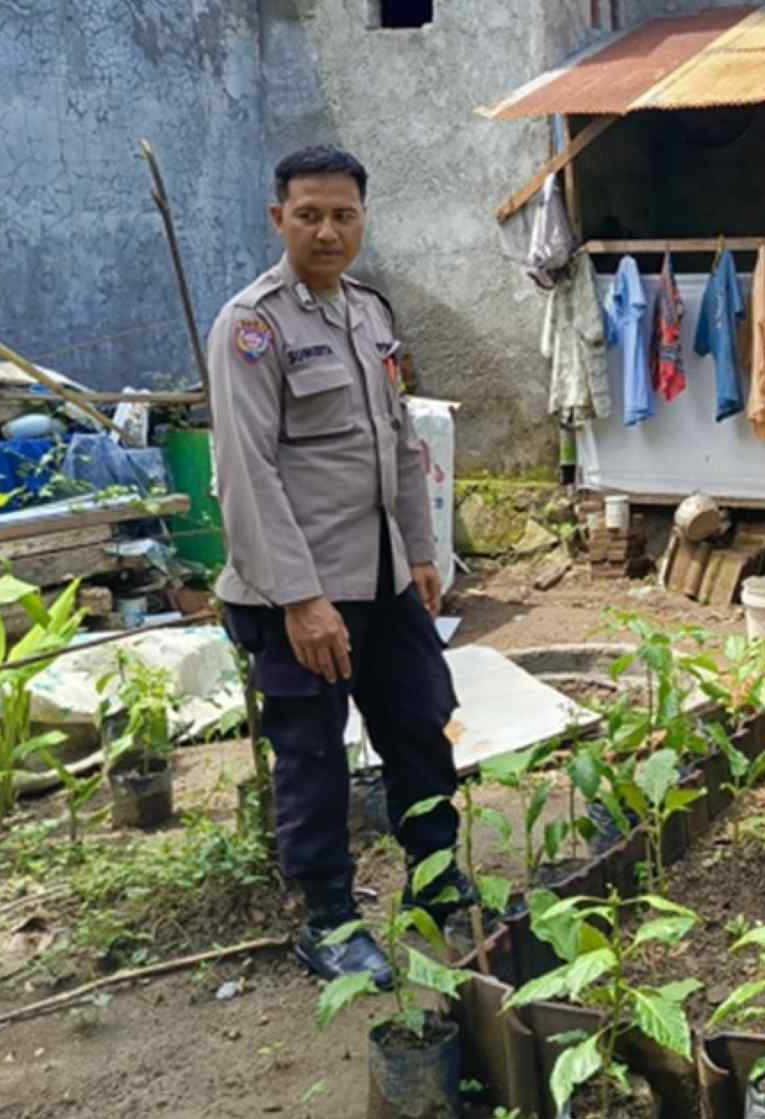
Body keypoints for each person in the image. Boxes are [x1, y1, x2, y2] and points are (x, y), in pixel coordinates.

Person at [208, 145, 475, 988]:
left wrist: (421, 552)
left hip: (383, 575)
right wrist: (300, 599)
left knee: (422, 723)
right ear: (278, 218)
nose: (328, 231)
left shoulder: (367, 311)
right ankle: (328, 921)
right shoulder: (251, 327)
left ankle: (437, 877)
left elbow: (399, 441)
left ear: (362, 219)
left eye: (343, 215)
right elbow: (246, 473)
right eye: (309, 215)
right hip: (302, 590)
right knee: (314, 756)